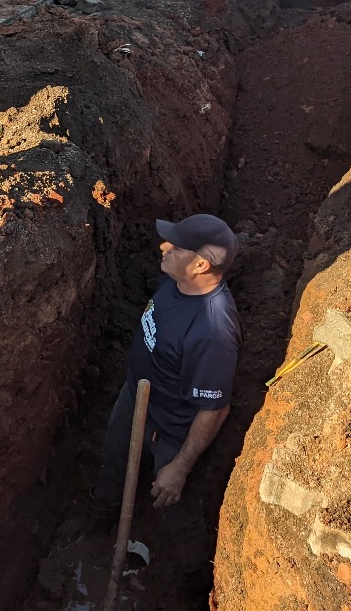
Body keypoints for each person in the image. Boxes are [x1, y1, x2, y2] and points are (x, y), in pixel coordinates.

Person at [93, 214, 241, 513]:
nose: (164, 247)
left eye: (176, 247)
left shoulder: (212, 333)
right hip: (135, 397)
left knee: (171, 506)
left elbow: (215, 408)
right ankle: (100, 522)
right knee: (113, 466)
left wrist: (180, 467)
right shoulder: (176, 281)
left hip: (171, 430)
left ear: (200, 265)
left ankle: (178, 557)